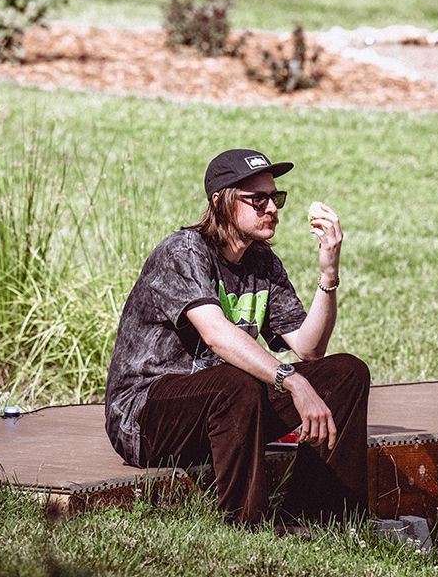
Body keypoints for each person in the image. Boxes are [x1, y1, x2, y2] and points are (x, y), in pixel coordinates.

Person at [104, 147, 370, 526]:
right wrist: (291, 381)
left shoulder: (262, 263)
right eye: (257, 199)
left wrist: (329, 273)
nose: (272, 209)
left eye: (275, 198)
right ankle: (246, 525)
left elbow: (309, 348)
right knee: (236, 382)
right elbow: (216, 335)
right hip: (145, 417)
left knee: (346, 373)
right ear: (221, 202)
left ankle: (320, 519)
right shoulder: (182, 252)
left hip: (225, 406)